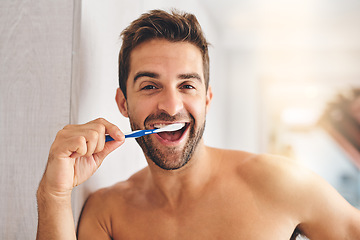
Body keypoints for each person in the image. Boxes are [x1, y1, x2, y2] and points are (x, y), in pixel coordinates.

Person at [36, 9, 360, 240]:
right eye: (150, 86)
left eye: (187, 86)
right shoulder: (106, 214)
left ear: (206, 99)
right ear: (123, 103)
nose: (171, 106)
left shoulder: (280, 182)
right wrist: (54, 193)